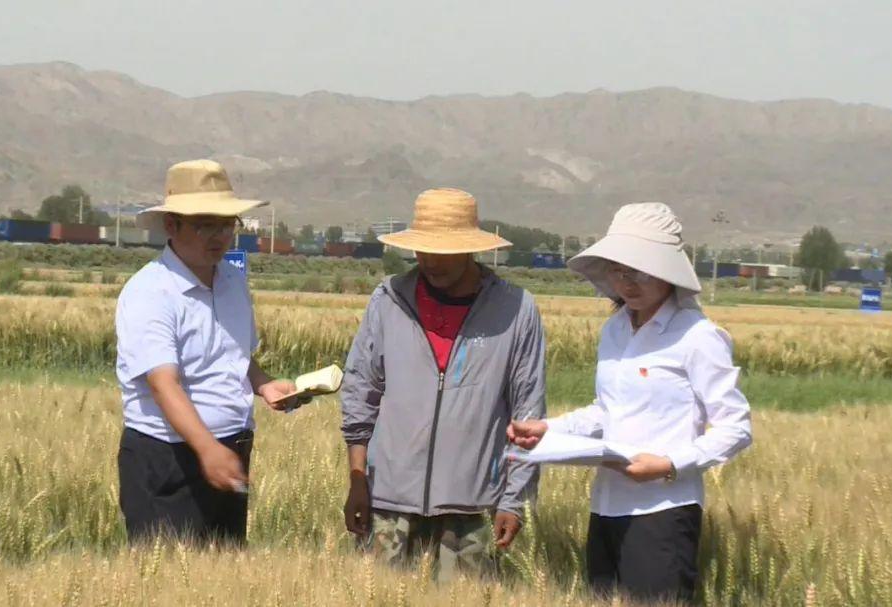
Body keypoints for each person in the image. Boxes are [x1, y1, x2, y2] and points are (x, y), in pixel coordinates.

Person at [509, 202, 752, 603]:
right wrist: (549, 428)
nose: (627, 282)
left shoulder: (697, 336)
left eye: (639, 270)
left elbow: (736, 427)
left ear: (668, 271)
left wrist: (670, 465)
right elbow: (608, 410)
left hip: (663, 514)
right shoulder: (615, 330)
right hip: (605, 508)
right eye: (618, 270)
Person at [340, 188, 545, 582]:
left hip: (472, 508)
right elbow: (360, 394)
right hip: (387, 503)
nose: (431, 261)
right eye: (423, 250)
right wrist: (357, 477)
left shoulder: (516, 311)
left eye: (444, 251)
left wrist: (514, 500)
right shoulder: (388, 301)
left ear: (471, 250)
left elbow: (528, 415)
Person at [115, 159, 299, 544]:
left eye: (226, 224)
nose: (218, 236)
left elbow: (234, 353)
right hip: (170, 462)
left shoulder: (232, 280)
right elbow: (164, 384)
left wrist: (263, 384)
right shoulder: (150, 292)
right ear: (171, 225)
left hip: (229, 455)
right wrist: (207, 449)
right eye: (204, 224)